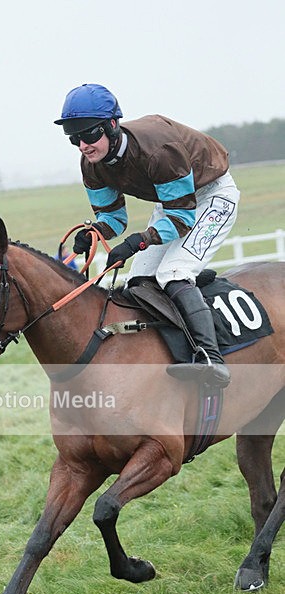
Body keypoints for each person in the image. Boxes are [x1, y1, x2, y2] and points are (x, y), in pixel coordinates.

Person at [54, 83, 240, 387]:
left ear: (112, 125)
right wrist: (94, 232)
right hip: (172, 203)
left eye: (89, 134)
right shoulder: (91, 165)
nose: (83, 145)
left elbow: (181, 219)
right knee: (139, 281)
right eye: (74, 138)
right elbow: (113, 219)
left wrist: (136, 243)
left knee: (174, 273)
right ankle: (174, 341)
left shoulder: (158, 151)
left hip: (212, 195)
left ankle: (211, 359)